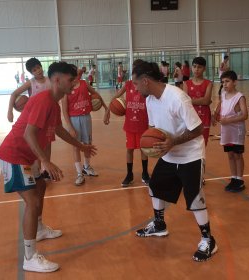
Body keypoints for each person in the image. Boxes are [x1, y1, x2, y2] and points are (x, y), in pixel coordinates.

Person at [0, 62, 97, 273]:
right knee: (32, 201)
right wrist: (46, 161)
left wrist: (81, 146)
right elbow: (28, 134)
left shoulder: (53, 103)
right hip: (14, 155)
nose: (74, 84)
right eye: (71, 80)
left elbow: (58, 129)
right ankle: (29, 257)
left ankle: (40, 228)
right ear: (57, 80)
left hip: (27, 156)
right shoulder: (43, 101)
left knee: (41, 187)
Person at [132, 61, 218, 262]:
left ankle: (208, 239)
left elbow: (197, 129)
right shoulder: (150, 100)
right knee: (155, 186)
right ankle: (159, 225)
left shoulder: (177, 97)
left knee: (194, 196)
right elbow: (155, 129)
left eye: (136, 84)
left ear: (146, 81)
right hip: (169, 154)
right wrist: (155, 145)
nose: (135, 88)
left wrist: (173, 142)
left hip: (191, 155)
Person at [105, 59, 150, 187]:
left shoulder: (146, 85)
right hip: (130, 124)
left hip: (142, 123)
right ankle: (129, 174)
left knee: (143, 149)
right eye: (134, 68)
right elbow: (116, 97)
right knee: (129, 149)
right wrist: (108, 110)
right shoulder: (128, 84)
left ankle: (145, 173)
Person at [61, 68, 108, 186]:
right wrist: (70, 127)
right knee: (76, 147)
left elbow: (96, 95)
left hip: (86, 117)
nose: (76, 75)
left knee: (87, 144)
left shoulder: (84, 83)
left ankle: (86, 167)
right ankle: (79, 173)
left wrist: (105, 108)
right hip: (73, 120)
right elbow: (65, 111)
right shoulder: (66, 89)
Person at [213, 70, 248, 192]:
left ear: (235, 82)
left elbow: (244, 115)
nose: (225, 84)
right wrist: (215, 115)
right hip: (226, 131)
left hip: (236, 131)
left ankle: (240, 180)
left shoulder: (240, 97)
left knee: (238, 155)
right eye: (223, 82)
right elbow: (220, 107)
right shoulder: (223, 95)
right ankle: (233, 178)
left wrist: (229, 120)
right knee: (230, 155)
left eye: (227, 81)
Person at [182, 57, 213, 146]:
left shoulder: (208, 83)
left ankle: (201, 160)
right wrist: (202, 101)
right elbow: (185, 102)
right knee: (190, 144)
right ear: (191, 67)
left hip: (204, 117)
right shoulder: (186, 84)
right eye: (194, 66)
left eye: (199, 67)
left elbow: (206, 101)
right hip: (190, 117)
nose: (196, 69)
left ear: (204, 69)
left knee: (203, 144)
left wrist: (191, 100)